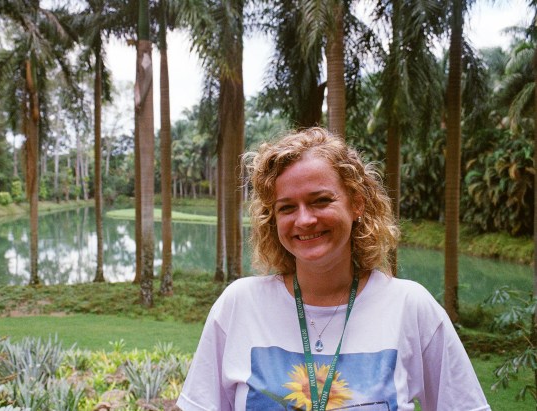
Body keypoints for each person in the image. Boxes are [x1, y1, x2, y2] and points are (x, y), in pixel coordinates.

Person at [177, 127, 490, 411]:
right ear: (272, 219)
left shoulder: (410, 307)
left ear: (357, 204)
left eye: (320, 201)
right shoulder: (239, 305)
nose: (304, 220)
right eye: (287, 207)